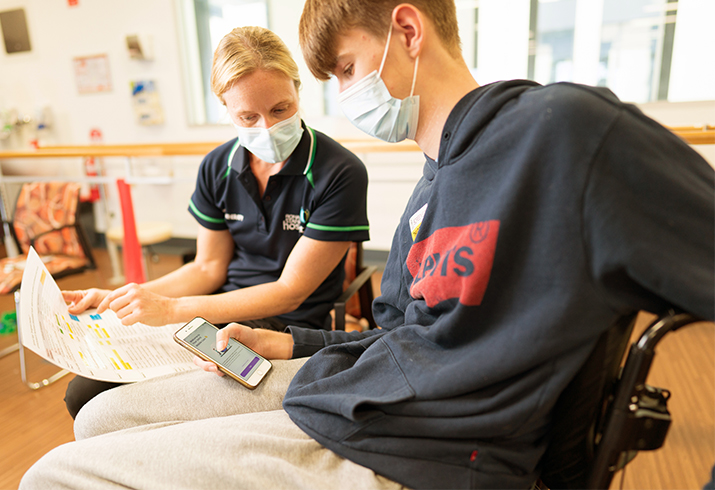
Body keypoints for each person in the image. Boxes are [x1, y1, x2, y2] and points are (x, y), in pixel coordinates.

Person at [20, 1, 714, 489]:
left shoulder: (561, 131)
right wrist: (288, 345)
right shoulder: (434, 181)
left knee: (53, 476)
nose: (346, 96)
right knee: (105, 411)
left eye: (345, 70)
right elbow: (403, 337)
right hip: (366, 393)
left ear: (405, 30)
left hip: (428, 449)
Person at [60, 25, 370, 419]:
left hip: (283, 324)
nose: (268, 128)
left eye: (280, 109)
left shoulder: (339, 172)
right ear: (225, 108)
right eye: (248, 116)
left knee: (136, 407)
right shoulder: (216, 167)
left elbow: (291, 292)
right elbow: (207, 268)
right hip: (214, 307)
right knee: (83, 392)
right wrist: (123, 299)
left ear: (297, 90)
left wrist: (172, 309)